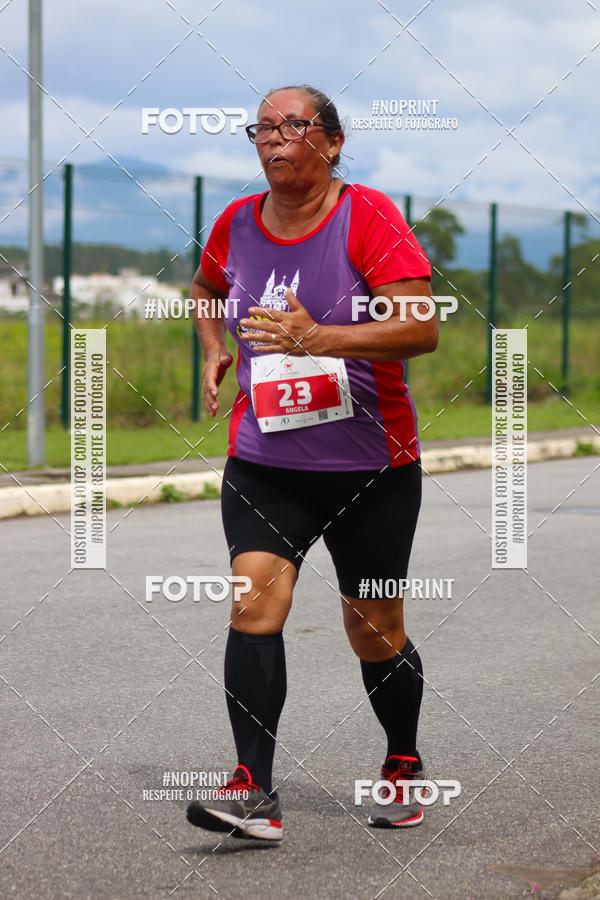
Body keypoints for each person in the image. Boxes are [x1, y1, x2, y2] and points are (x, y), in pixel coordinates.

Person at [186, 84, 438, 842]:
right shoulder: (235, 223)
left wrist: (317, 339)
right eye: (261, 129)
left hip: (371, 467)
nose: (273, 140)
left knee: (374, 625)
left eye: (292, 127)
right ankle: (254, 793)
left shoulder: (368, 217)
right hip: (265, 460)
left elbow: (420, 326)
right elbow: (204, 288)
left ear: (330, 142)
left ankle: (402, 762)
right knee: (254, 602)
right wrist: (213, 348)